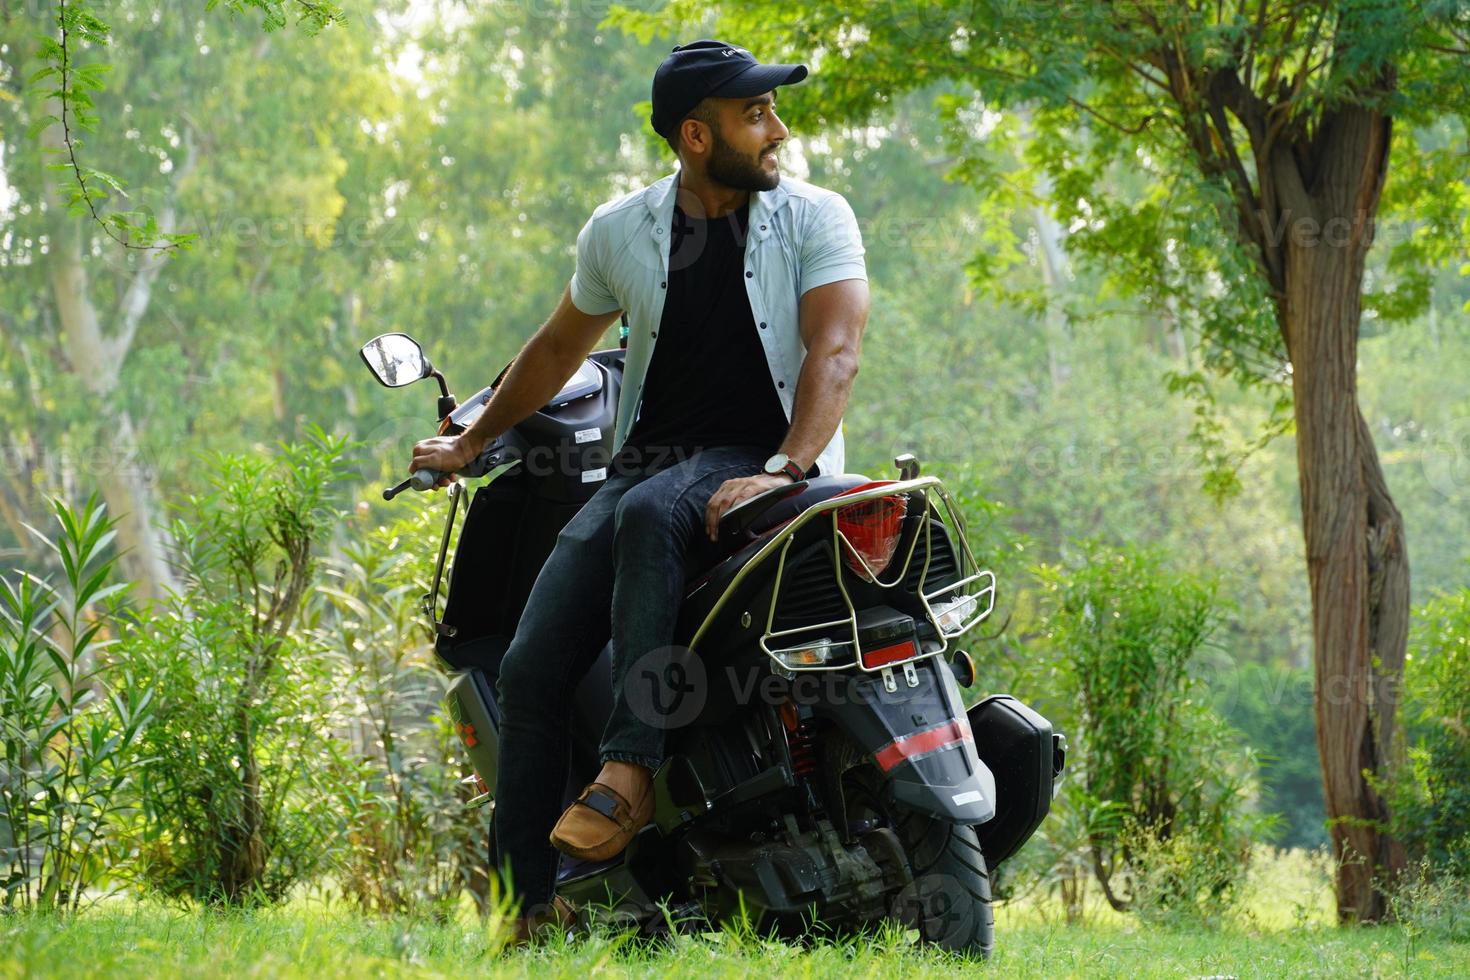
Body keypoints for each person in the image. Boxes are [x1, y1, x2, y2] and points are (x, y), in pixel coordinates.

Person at [407, 39, 869, 944]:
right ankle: (524, 910)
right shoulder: (619, 230)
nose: (777, 129)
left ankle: (629, 770)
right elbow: (554, 350)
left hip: (764, 457)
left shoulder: (819, 216)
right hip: (644, 465)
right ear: (697, 136)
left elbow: (836, 351)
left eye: (773, 111)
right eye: (755, 115)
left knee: (660, 510)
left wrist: (784, 468)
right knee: (532, 666)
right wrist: (473, 439)